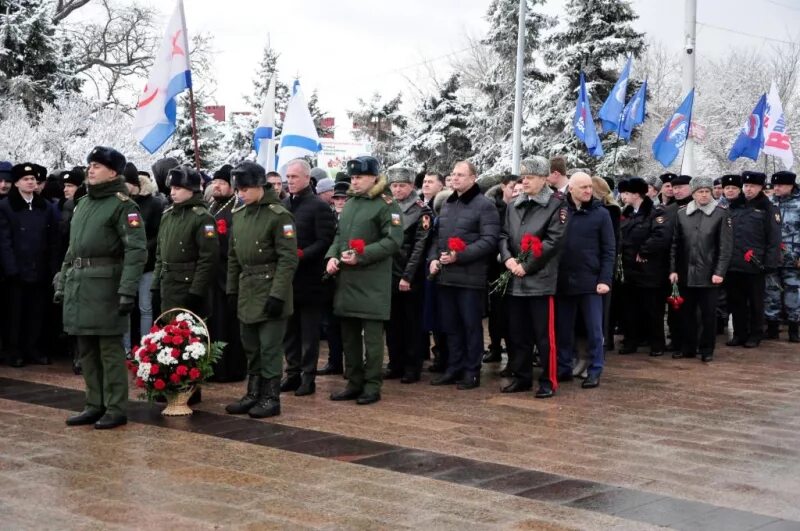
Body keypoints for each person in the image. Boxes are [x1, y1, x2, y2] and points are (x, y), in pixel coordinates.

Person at [56, 146, 146, 429]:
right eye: (90, 165)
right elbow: (73, 248)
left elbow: (136, 251)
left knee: (109, 351)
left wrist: (127, 290)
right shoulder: (83, 203)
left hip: (107, 286)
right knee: (87, 350)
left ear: (113, 172)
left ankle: (116, 407)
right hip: (80, 285)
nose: (90, 170)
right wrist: (62, 278)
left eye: (97, 165)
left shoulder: (123, 205)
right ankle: (94, 404)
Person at [324, 157, 402, 404]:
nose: (355, 182)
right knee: (349, 336)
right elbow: (339, 235)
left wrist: (362, 255)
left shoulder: (385, 204)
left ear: (374, 178)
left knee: (372, 338)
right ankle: (354, 381)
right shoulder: (351, 203)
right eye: (353, 178)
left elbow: (392, 241)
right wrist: (332, 256)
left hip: (372, 281)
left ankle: (372, 385)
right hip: (348, 280)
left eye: (359, 178)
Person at [225, 161, 298, 418]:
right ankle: (253, 393)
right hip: (248, 288)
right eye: (238, 190)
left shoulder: (279, 216)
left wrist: (277, 294)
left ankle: (270, 396)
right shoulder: (239, 215)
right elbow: (233, 257)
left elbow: (288, 259)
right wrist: (232, 290)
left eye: (245, 189)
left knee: (269, 347)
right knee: (251, 345)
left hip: (270, 287)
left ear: (259, 186)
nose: (240, 194)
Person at [498, 157, 567, 397]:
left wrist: (526, 266)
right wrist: (508, 259)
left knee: (544, 336)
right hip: (515, 279)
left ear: (544, 178)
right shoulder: (514, 204)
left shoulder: (557, 204)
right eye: (523, 177)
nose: (524, 181)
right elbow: (504, 235)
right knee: (518, 333)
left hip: (539, 280)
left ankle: (549, 380)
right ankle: (522, 376)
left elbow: (553, 241)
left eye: (529, 177)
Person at [428, 161, 500, 390]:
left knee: (470, 326)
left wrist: (460, 255)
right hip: (446, 276)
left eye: (460, 175)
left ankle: (472, 370)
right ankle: (454, 367)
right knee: (450, 325)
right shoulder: (448, 204)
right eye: (453, 174)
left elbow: (489, 240)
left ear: (473, 178)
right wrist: (433, 259)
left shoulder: (484, 205)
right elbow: (437, 237)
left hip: (470, 277)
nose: (455, 178)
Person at [280, 159, 336, 396]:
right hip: (288, 279)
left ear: (306, 178)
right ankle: (292, 373)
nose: (290, 181)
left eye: (294, 177)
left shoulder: (318, 206)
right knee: (289, 331)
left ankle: (307, 377)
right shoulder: (284, 205)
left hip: (310, 279)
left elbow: (325, 240)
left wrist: (302, 254)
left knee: (309, 333)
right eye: (288, 177)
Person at [556, 172, 614, 388]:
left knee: (594, 330)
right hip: (563, 281)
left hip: (591, 281)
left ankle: (595, 369)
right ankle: (563, 368)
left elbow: (609, 250)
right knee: (563, 328)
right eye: (583, 187)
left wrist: (605, 279)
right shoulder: (560, 210)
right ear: (571, 189)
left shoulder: (601, 214)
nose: (588, 191)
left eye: (590, 186)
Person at [0, 163, 61, 367]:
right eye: (26, 179)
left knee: (37, 313)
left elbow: (53, 239)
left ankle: (33, 348)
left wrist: (52, 268)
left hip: (39, 268)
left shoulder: (45, 207)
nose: (30, 182)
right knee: (15, 314)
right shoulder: (6, 206)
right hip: (16, 270)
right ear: (17, 183)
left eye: (33, 179)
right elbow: (4, 240)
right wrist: (11, 268)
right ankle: (14, 351)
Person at [669, 176, 732, 361]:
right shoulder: (682, 214)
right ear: (693, 193)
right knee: (685, 313)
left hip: (709, 274)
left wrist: (719, 272)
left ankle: (706, 350)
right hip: (685, 273)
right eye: (699, 191)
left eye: (706, 191)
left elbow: (725, 247)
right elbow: (674, 244)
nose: (704, 195)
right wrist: (673, 269)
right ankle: (687, 347)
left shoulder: (721, 213)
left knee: (708, 315)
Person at [384, 166, 432, 383]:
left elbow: (420, 247)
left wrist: (408, 276)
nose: (397, 189)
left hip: (409, 273)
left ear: (411, 186)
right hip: (388, 272)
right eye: (394, 185)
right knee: (392, 323)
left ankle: (412, 366)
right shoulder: (387, 207)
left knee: (411, 323)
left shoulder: (422, 210)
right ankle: (395, 363)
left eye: (402, 185)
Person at [151, 165, 218, 319]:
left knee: (190, 337)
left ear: (191, 189)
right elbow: (160, 254)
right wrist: (155, 285)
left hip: (188, 286)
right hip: (167, 285)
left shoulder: (202, 217)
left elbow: (208, 258)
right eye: (172, 188)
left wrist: (196, 291)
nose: (172, 192)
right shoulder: (168, 215)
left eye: (178, 188)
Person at [726, 171, 781, 348]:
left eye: (753, 186)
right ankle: (739, 334)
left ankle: (755, 334)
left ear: (760, 188)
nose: (748, 189)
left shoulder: (767, 208)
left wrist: (770, 263)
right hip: (734, 262)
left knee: (756, 302)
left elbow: (774, 239)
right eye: (746, 186)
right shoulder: (734, 206)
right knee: (736, 301)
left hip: (755, 263)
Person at [618, 176, 671, 356]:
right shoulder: (627, 212)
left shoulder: (655, 212)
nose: (623, 196)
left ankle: (657, 344)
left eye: (627, 193)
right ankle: (631, 341)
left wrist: (644, 251)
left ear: (636, 194)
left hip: (649, 270)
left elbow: (661, 236)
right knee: (630, 309)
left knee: (653, 309)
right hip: (629, 270)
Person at [207, 164, 247, 382]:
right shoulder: (212, 205)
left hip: (228, 274)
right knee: (215, 323)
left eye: (222, 183)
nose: (217, 186)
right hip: (213, 275)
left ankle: (232, 368)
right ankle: (215, 366)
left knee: (229, 324)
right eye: (215, 182)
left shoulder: (237, 207)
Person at [121, 163, 164, 353]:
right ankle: (126, 348)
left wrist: (142, 249)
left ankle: (146, 349)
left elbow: (158, 234)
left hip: (147, 263)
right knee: (125, 306)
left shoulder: (154, 204)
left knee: (145, 307)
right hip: (126, 263)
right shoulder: (122, 203)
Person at [318, 180, 349, 376]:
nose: (339, 201)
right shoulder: (327, 216)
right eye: (336, 197)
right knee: (330, 323)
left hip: (348, 275)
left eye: (343, 198)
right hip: (329, 275)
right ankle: (334, 361)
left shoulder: (353, 218)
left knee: (348, 324)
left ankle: (352, 363)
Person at [766, 171, 800, 342]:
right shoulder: (769, 203)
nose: (776, 188)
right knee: (771, 291)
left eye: (780, 185)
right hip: (772, 257)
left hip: (793, 258)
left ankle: (794, 329)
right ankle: (772, 327)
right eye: (774, 185)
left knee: (793, 292)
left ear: (791, 186)